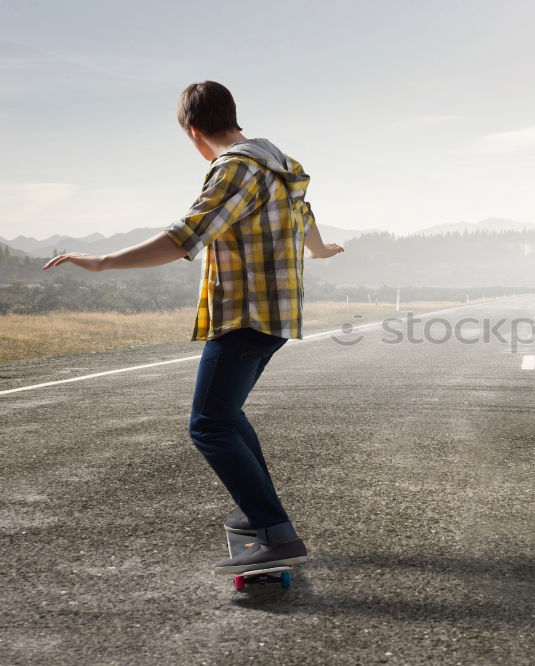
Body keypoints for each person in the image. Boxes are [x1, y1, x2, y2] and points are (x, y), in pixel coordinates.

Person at [42, 80, 344, 574]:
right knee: (227, 414)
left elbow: (187, 236)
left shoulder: (234, 168)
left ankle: (275, 531)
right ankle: (258, 515)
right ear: (233, 117)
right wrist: (319, 249)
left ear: (193, 131)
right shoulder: (281, 164)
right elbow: (304, 212)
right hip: (276, 314)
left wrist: (101, 262)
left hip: (245, 313)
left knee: (208, 424)